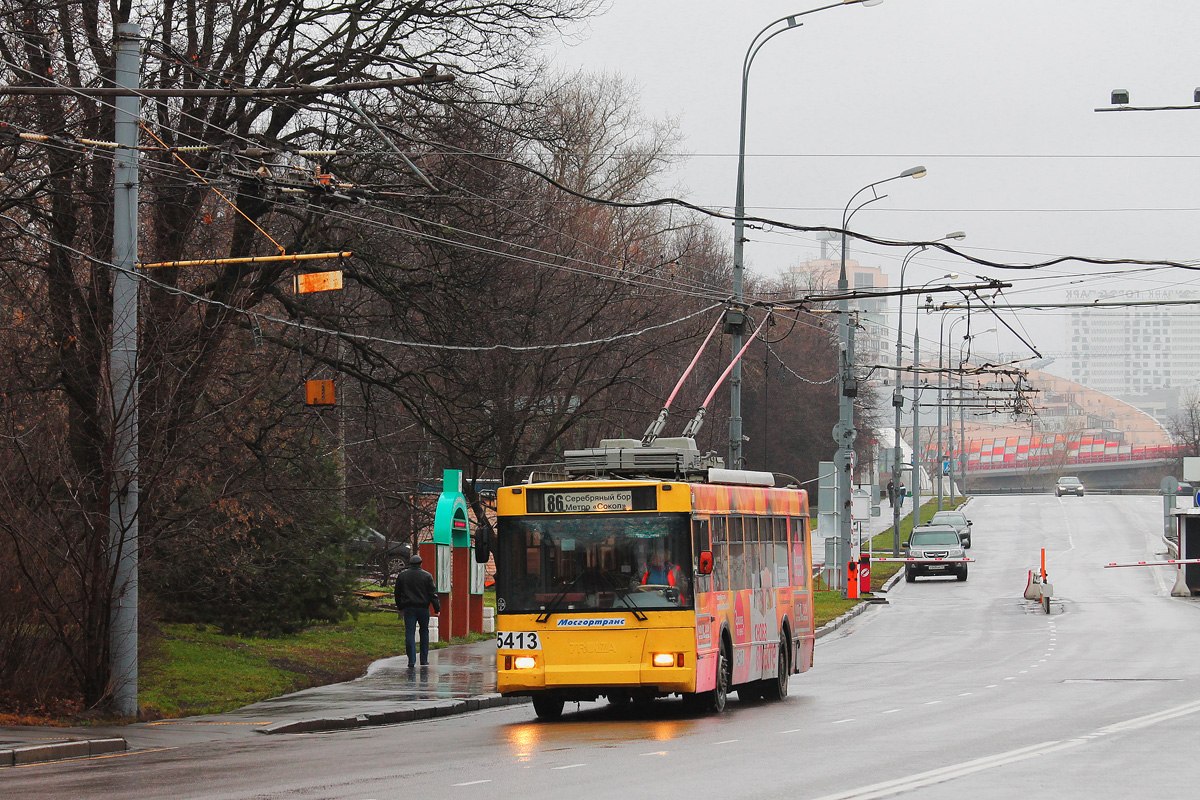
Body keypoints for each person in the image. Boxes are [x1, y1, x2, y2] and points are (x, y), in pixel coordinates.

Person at [394, 553, 440, 668]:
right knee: (424, 632)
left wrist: (400, 606)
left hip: (409, 609)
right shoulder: (427, 576)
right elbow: (432, 594)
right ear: (421, 564)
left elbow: (397, 593)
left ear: (410, 563)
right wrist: (437, 608)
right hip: (423, 609)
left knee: (409, 633)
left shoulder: (402, 576)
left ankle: (411, 660)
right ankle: (424, 660)